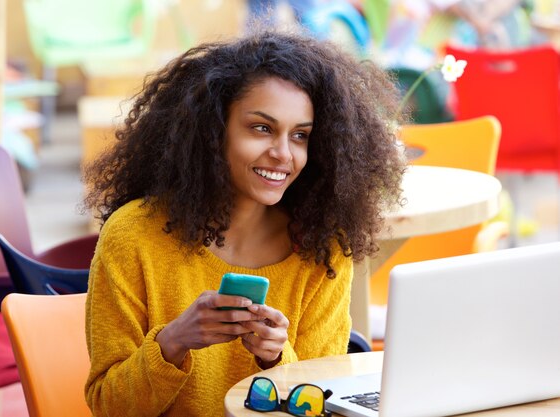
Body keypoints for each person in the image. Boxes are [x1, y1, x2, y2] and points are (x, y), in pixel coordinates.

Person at [83, 30, 405, 417]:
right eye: (262, 128)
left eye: (300, 135)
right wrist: (172, 342)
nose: (282, 154)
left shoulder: (323, 248)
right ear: (213, 131)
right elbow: (109, 407)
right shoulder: (133, 235)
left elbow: (322, 404)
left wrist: (275, 358)